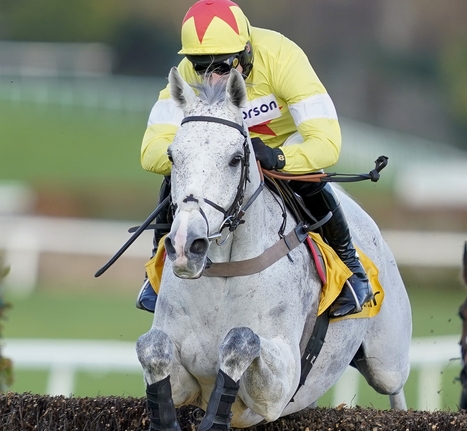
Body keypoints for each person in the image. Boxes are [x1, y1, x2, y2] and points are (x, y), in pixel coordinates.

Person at [136, 0, 371, 318]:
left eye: (221, 67)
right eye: (202, 67)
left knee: (310, 175)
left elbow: (327, 143)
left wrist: (279, 156)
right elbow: (150, 152)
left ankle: (352, 269)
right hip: (222, 154)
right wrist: (195, 156)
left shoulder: (283, 57)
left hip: (283, 143)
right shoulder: (192, 71)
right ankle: (159, 269)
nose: (212, 79)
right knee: (177, 172)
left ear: (246, 50)